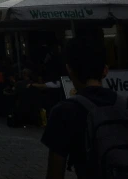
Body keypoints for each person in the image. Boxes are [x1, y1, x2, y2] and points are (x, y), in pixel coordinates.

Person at [41, 32, 123, 179]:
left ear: (69, 69)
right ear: (105, 70)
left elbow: (55, 173)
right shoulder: (124, 104)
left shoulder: (63, 112)